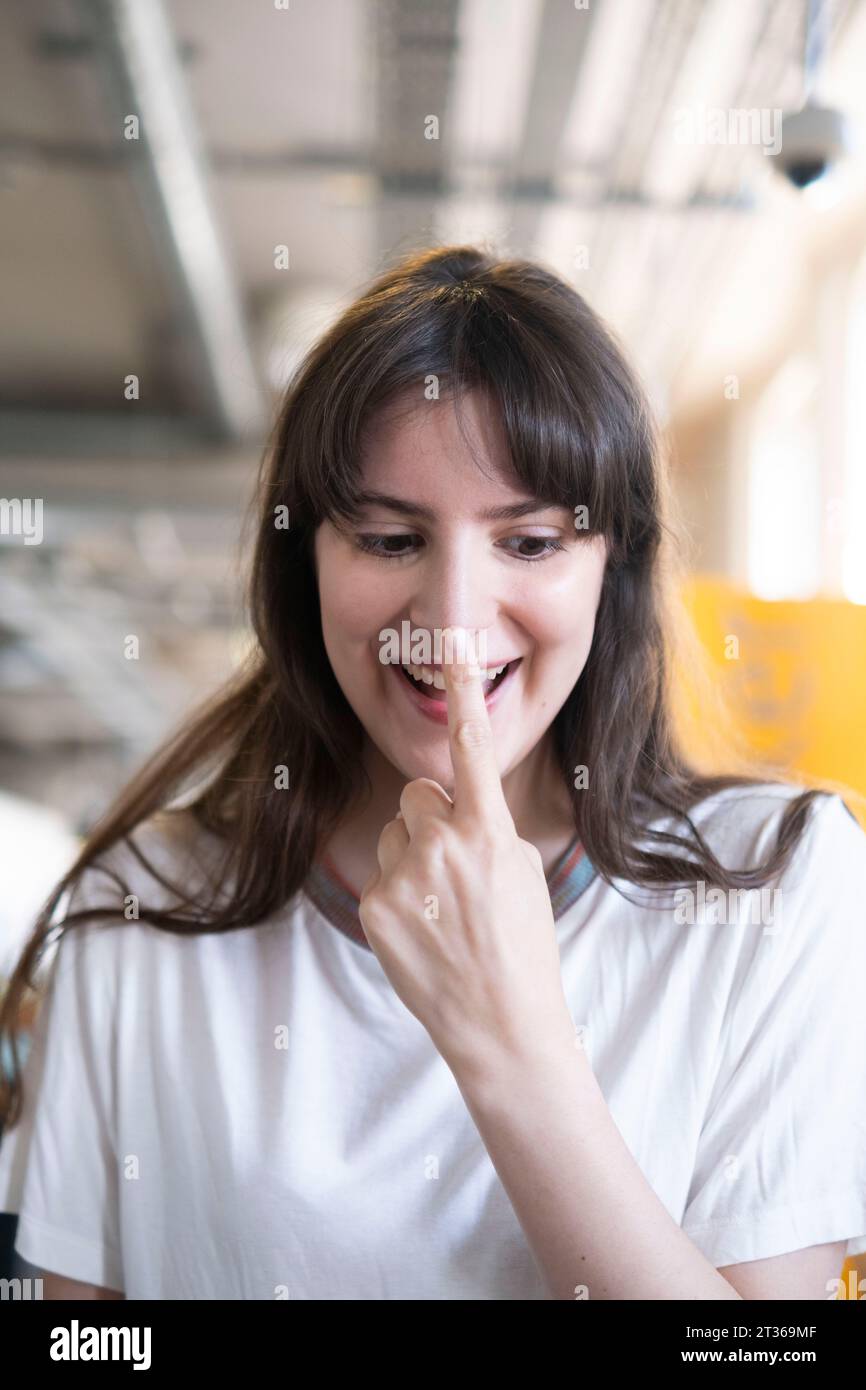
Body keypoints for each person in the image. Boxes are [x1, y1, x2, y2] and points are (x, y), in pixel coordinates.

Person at [1, 244, 865, 1301]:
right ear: (304, 561)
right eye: (387, 537)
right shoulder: (143, 903)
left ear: (613, 565)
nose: (452, 621)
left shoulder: (777, 885)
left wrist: (509, 1044)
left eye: (531, 541)